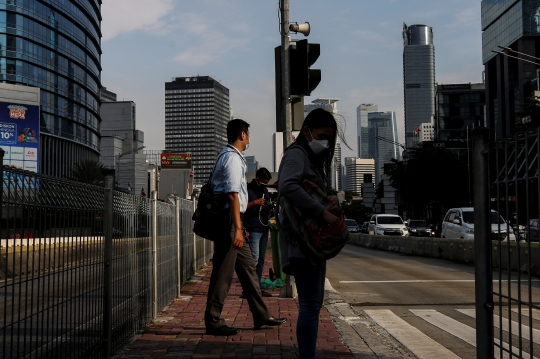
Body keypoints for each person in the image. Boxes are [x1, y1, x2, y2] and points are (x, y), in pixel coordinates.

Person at [204, 119, 286, 336]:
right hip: (229, 222)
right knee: (223, 273)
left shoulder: (231, 156)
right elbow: (232, 194)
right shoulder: (231, 158)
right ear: (242, 135)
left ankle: (262, 316)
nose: (249, 137)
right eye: (248, 134)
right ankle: (213, 321)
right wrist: (238, 229)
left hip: (232, 221)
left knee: (249, 269)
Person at [278, 108, 340, 358]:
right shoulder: (297, 155)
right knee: (310, 306)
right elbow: (288, 186)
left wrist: (329, 197)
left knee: (312, 306)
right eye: (321, 135)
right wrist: (322, 212)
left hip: (309, 242)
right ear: (306, 132)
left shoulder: (306, 157)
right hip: (303, 242)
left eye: (329, 137)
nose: (325, 142)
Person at [243, 167, 273, 297]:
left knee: (261, 259)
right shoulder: (248, 189)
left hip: (263, 226)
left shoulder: (264, 190)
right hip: (253, 227)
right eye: (263, 181)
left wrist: (269, 207)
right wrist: (255, 202)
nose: (264, 184)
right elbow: (242, 207)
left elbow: (266, 205)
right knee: (253, 260)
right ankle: (248, 289)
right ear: (258, 178)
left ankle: (257, 287)